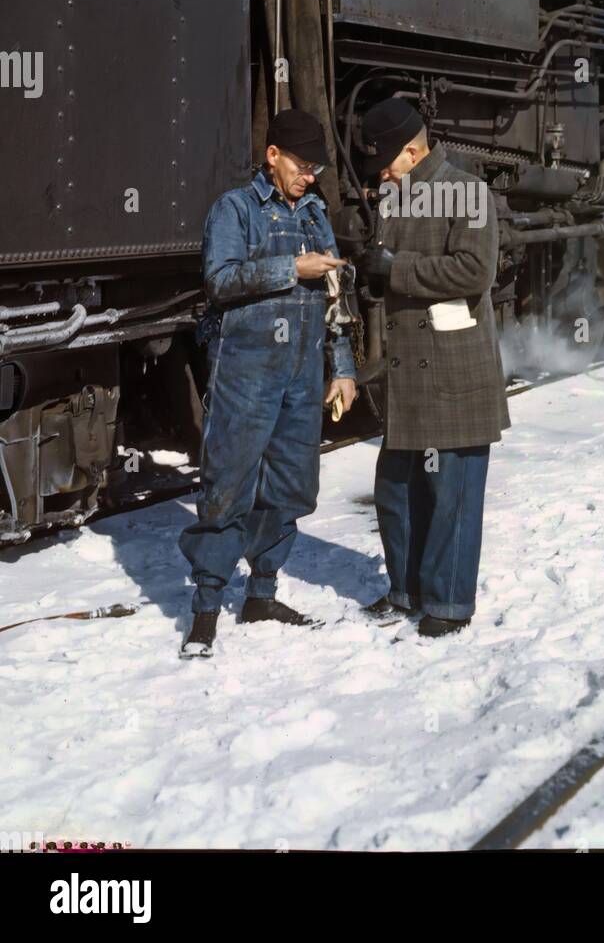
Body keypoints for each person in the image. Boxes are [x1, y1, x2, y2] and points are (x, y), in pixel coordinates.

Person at [179, 110, 357, 656]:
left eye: (318, 169)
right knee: (227, 487)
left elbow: (333, 297)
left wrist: (344, 368)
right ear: (273, 155)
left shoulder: (315, 214)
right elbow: (220, 281)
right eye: (304, 167)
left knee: (289, 487)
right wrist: (290, 269)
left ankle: (261, 594)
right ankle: (206, 609)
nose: (311, 178)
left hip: (302, 377)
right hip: (246, 376)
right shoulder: (233, 210)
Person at [357, 98, 510, 638]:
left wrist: (396, 270)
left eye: (386, 162)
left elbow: (475, 271)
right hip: (408, 375)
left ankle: (447, 604)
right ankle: (407, 591)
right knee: (397, 489)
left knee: (452, 494)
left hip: (452, 370)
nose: (381, 173)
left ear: (414, 150)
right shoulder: (393, 198)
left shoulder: (468, 193)